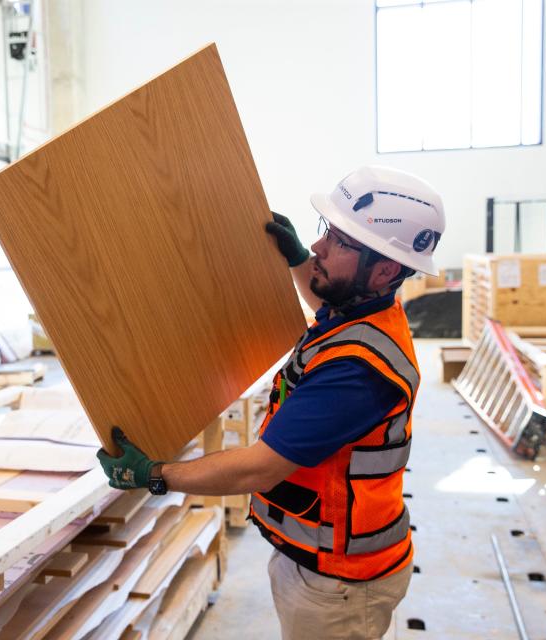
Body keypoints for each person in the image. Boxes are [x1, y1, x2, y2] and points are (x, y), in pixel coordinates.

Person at [97, 165, 445, 639]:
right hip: (321, 556)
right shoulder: (368, 307)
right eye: (327, 232)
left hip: (339, 580)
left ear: (384, 269)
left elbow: (257, 469)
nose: (320, 246)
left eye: (339, 243)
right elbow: (326, 303)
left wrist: (154, 475)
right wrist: (301, 260)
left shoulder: (358, 372)